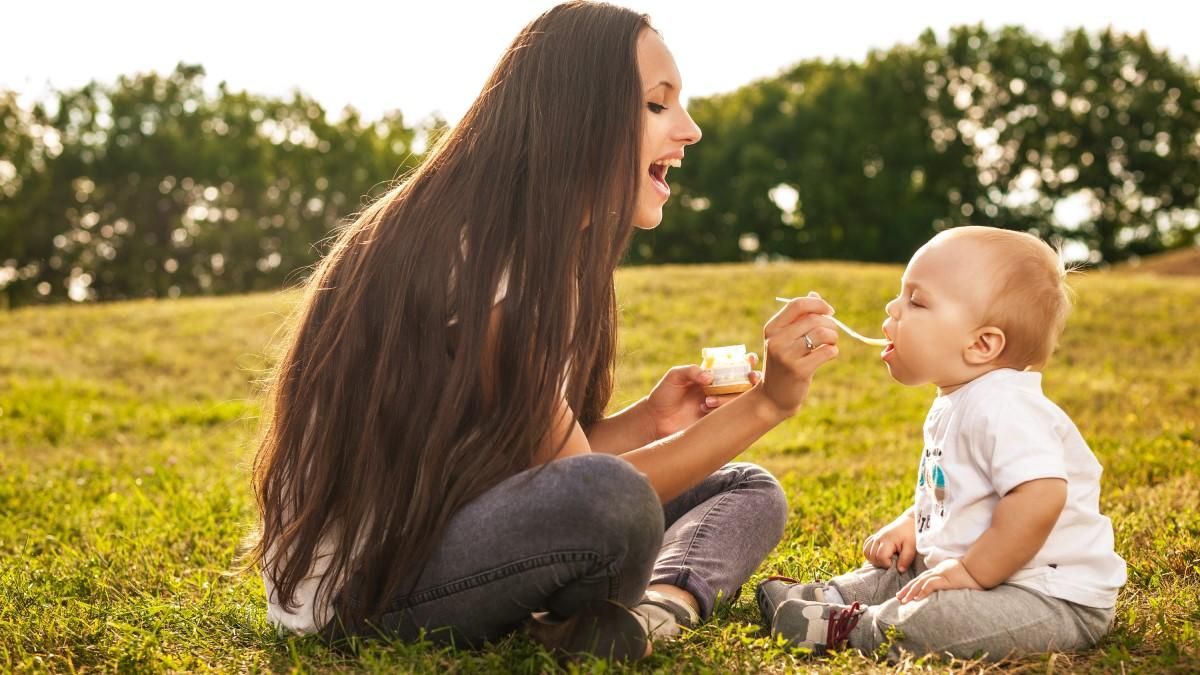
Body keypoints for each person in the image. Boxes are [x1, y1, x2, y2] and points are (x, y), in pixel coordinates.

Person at [247, 1, 841, 661]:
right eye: (656, 105)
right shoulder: (475, 255)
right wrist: (769, 403)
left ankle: (657, 611)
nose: (690, 130)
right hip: (365, 594)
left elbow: (540, 466)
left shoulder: (540, 253)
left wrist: (649, 419)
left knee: (745, 486)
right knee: (613, 501)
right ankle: (620, 612)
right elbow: (589, 494)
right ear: (579, 117)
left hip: (451, 533)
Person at [757, 226, 1126, 660]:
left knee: (935, 617)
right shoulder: (959, 397)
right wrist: (913, 523)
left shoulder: (1005, 405)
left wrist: (971, 570)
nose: (893, 308)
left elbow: (1041, 495)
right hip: (978, 571)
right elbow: (960, 489)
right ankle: (832, 596)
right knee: (902, 571)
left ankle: (857, 628)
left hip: (1046, 597)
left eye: (916, 301)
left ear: (982, 344)